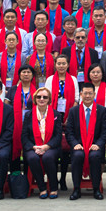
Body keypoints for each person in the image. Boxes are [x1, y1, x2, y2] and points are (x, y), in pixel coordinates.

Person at [65, 82, 106, 200]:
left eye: (90, 93)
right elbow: (69, 132)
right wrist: (75, 144)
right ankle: (76, 189)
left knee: (94, 156)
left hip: (95, 145)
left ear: (94, 94)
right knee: (77, 156)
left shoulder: (101, 110)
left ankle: (96, 189)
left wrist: (98, 144)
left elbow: (105, 132)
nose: (87, 96)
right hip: (79, 145)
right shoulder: (73, 111)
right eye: (85, 93)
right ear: (81, 94)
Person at [45, 55, 79, 190]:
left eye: (63, 63)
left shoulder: (73, 79)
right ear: (55, 65)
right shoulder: (50, 79)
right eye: (58, 63)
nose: (61, 66)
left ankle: (63, 179)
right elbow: (46, 99)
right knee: (54, 148)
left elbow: (76, 99)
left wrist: (69, 118)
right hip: (53, 117)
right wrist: (55, 118)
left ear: (68, 65)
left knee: (66, 151)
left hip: (69, 117)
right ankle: (52, 178)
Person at [22, 86, 63, 198]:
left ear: (49, 99)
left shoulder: (56, 115)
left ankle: (53, 188)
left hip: (51, 147)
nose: (41, 99)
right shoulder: (28, 115)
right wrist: (34, 147)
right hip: (33, 147)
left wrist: (46, 146)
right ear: (35, 99)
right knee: (32, 158)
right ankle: (42, 188)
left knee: (47, 157)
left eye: (45, 97)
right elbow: (24, 136)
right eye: (39, 97)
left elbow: (58, 136)